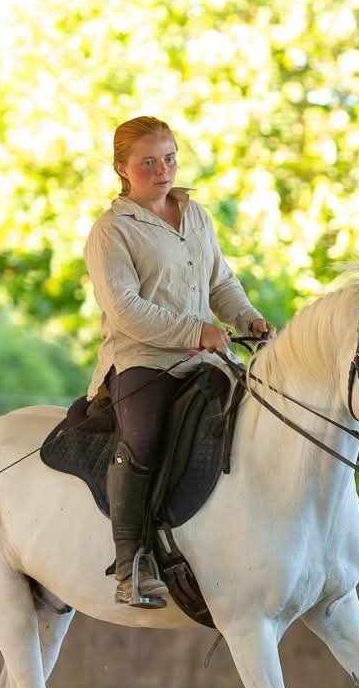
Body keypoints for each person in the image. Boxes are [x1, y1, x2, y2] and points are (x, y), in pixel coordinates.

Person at [84, 115, 275, 608]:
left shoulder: (196, 214)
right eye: (148, 162)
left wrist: (249, 319)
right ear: (122, 168)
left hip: (205, 355)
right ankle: (128, 565)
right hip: (143, 359)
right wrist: (195, 330)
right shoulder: (111, 231)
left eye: (169, 157)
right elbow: (124, 310)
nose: (163, 169)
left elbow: (220, 283)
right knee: (143, 438)